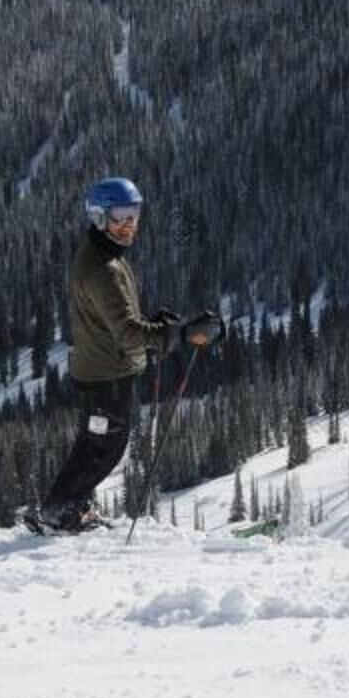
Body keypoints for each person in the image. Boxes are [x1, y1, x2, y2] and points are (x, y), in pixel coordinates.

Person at [33, 176, 223, 534]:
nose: (128, 225)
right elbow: (126, 333)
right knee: (105, 446)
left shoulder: (105, 255)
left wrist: (156, 325)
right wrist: (180, 334)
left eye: (134, 215)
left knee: (96, 442)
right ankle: (60, 509)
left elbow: (117, 321)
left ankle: (69, 506)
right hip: (107, 373)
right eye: (120, 216)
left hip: (103, 366)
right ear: (99, 216)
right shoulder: (102, 268)